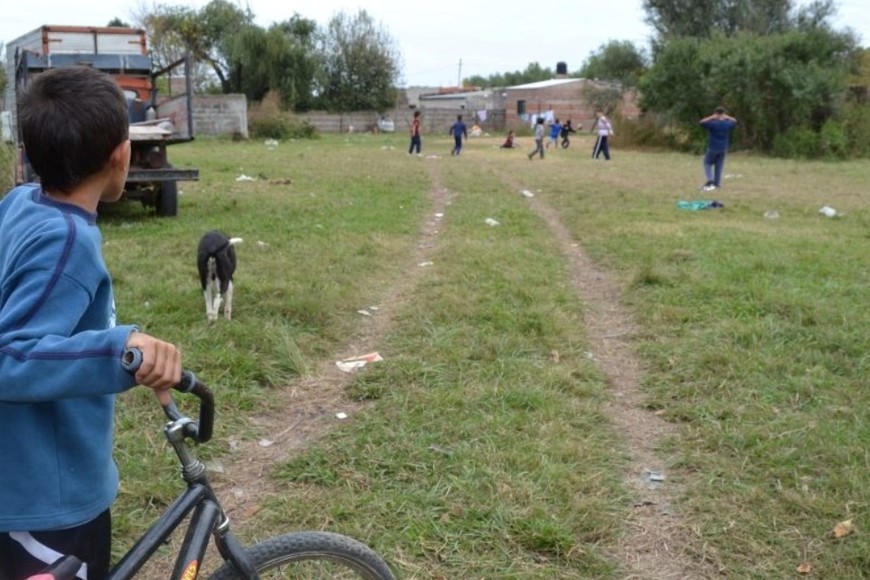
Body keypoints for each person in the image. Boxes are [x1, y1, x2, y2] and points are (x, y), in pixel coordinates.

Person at [0, 66, 182, 579]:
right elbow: (9, 356)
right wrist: (121, 349)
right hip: (44, 502)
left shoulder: (19, 204)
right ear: (121, 155)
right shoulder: (68, 241)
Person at [699, 106, 738, 190]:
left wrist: (712, 117)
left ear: (715, 113)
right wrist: (727, 117)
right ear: (723, 114)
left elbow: (701, 122)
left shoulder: (713, 123)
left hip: (713, 147)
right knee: (719, 165)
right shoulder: (727, 124)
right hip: (723, 147)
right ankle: (717, 184)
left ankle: (710, 179)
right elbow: (735, 121)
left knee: (707, 162)